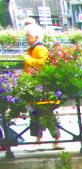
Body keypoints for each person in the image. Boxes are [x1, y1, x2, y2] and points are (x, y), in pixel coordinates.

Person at [22, 22, 62, 150]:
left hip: (41, 86)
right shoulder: (32, 49)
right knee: (36, 113)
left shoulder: (40, 49)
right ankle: (39, 140)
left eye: (28, 35)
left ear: (36, 37)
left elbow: (42, 64)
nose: (26, 38)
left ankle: (54, 140)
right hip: (34, 85)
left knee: (44, 112)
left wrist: (28, 59)